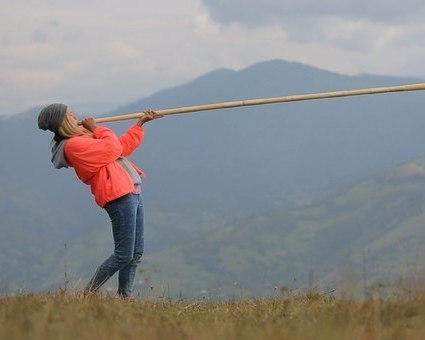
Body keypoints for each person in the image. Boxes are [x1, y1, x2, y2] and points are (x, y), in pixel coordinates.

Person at [37, 103, 162, 299]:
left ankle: (124, 296)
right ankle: (89, 293)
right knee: (123, 254)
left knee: (135, 253)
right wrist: (96, 128)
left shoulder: (84, 138)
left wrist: (139, 125)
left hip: (132, 191)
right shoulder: (73, 146)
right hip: (119, 196)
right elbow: (112, 148)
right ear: (63, 120)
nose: (76, 115)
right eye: (70, 113)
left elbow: (120, 148)